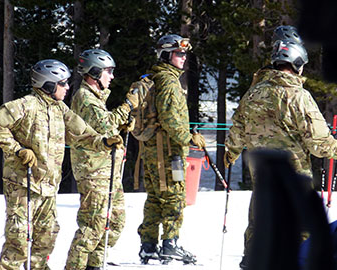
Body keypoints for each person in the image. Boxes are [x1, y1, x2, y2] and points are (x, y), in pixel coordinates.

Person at [0, 59, 123, 270]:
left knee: (46, 238)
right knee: (19, 240)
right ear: (48, 85)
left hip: (48, 186)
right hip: (24, 184)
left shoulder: (61, 109)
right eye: (63, 83)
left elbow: (82, 133)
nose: (67, 88)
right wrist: (18, 150)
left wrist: (103, 142)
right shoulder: (24, 105)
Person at [224, 39, 337, 269]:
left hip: (262, 184)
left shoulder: (252, 94)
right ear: (296, 63)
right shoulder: (298, 96)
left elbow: (235, 136)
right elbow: (318, 143)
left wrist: (231, 154)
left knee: (259, 231)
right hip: (294, 184)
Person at [64, 49, 138, 270]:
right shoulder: (85, 98)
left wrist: (121, 126)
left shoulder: (95, 97)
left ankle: (93, 265)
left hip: (108, 170)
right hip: (93, 171)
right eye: (108, 71)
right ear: (95, 72)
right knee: (92, 226)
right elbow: (104, 125)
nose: (112, 77)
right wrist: (128, 106)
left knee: (114, 222)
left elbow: (104, 127)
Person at [137, 34, 206, 264]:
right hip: (168, 153)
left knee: (156, 197)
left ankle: (148, 245)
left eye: (185, 53)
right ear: (167, 55)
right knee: (174, 197)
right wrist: (189, 138)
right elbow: (170, 120)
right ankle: (170, 244)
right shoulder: (168, 81)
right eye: (179, 53)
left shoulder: (157, 77)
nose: (184, 58)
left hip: (153, 150)